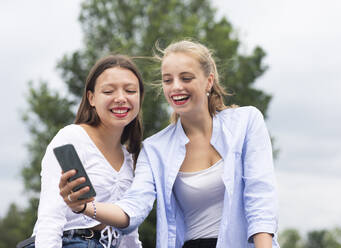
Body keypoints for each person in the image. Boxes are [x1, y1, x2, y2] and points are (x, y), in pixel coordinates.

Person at [60, 40, 280, 248]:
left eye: (186, 78)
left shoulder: (247, 122)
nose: (176, 87)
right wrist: (85, 207)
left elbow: (260, 199)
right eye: (168, 80)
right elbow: (133, 208)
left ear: (209, 81)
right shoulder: (155, 148)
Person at [23, 55, 144, 248]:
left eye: (130, 90)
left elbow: (129, 230)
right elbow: (50, 215)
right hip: (69, 241)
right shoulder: (72, 138)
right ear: (91, 98)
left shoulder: (132, 158)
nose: (121, 98)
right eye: (108, 91)